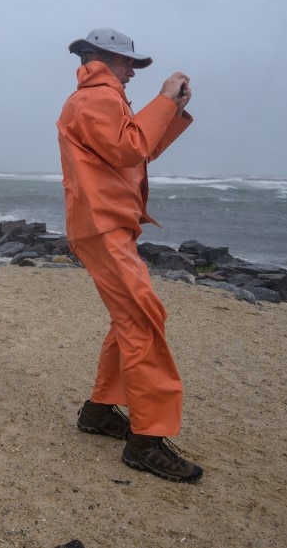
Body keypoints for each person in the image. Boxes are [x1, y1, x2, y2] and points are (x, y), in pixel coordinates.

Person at [56, 28, 203, 483]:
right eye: (127, 64)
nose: (131, 73)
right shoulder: (97, 97)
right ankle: (146, 441)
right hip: (102, 225)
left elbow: (138, 151)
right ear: (101, 58)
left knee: (132, 317)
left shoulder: (100, 99)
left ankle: (100, 411)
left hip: (105, 224)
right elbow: (130, 148)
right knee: (143, 318)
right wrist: (163, 98)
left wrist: (171, 107)